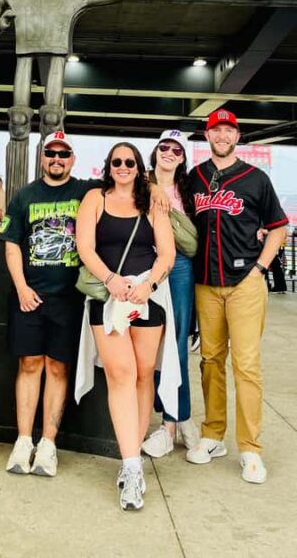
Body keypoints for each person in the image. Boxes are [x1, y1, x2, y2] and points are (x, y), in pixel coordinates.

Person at [185, 109, 287, 484]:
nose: (223, 136)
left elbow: (278, 228)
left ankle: (250, 448)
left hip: (245, 281)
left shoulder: (256, 178)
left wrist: (260, 268)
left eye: (229, 130)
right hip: (205, 283)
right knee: (210, 361)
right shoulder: (194, 179)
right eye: (217, 130)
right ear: (207, 136)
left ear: (237, 136)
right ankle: (213, 435)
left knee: (246, 365)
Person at [76, 142, 176, 511]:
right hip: (108, 298)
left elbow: (167, 252)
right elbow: (85, 247)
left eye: (129, 161)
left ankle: (129, 454)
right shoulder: (94, 199)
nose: (123, 167)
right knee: (121, 373)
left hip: (147, 297)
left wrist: (148, 284)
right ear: (108, 166)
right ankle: (133, 466)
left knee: (144, 374)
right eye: (116, 161)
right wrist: (110, 279)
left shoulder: (152, 202)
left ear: (138, 167)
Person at [0, 131, 102, 478]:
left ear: (73, 159)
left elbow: (127, 183)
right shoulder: (24, 195)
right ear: (42, 157)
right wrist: (21, 287)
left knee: (58, 368)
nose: (57, 159)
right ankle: (23, 440)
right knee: (29, 364)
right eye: (51, 153)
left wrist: (157, 190)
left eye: (63, 154)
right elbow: (11, 243)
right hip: (29, 295)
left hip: (68, 298)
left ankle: (48, 444)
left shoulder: (86, 191)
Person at [141, 131, 200, 458]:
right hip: (143, 265)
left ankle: (172, 421)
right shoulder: (139, 181)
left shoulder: (189, 189)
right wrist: (151, 187)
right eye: (164, 147)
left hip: (178, 267)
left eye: (176, 150)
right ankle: (177, 417)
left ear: (182, 157)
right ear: (155, 151)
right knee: (148, 345)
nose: (169, 152)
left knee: (175, 345)